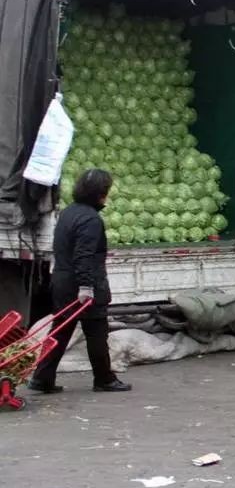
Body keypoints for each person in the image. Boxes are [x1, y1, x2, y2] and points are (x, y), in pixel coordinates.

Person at [28, 169, 131, 394]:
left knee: (59, 332)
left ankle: (42, 378)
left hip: (62, 281)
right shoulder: (90, 220)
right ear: (100, 194)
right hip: (82, 284)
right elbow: (84, 255)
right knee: (96, 332)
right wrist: (87, 287)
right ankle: (104, 379)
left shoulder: (68, 213)